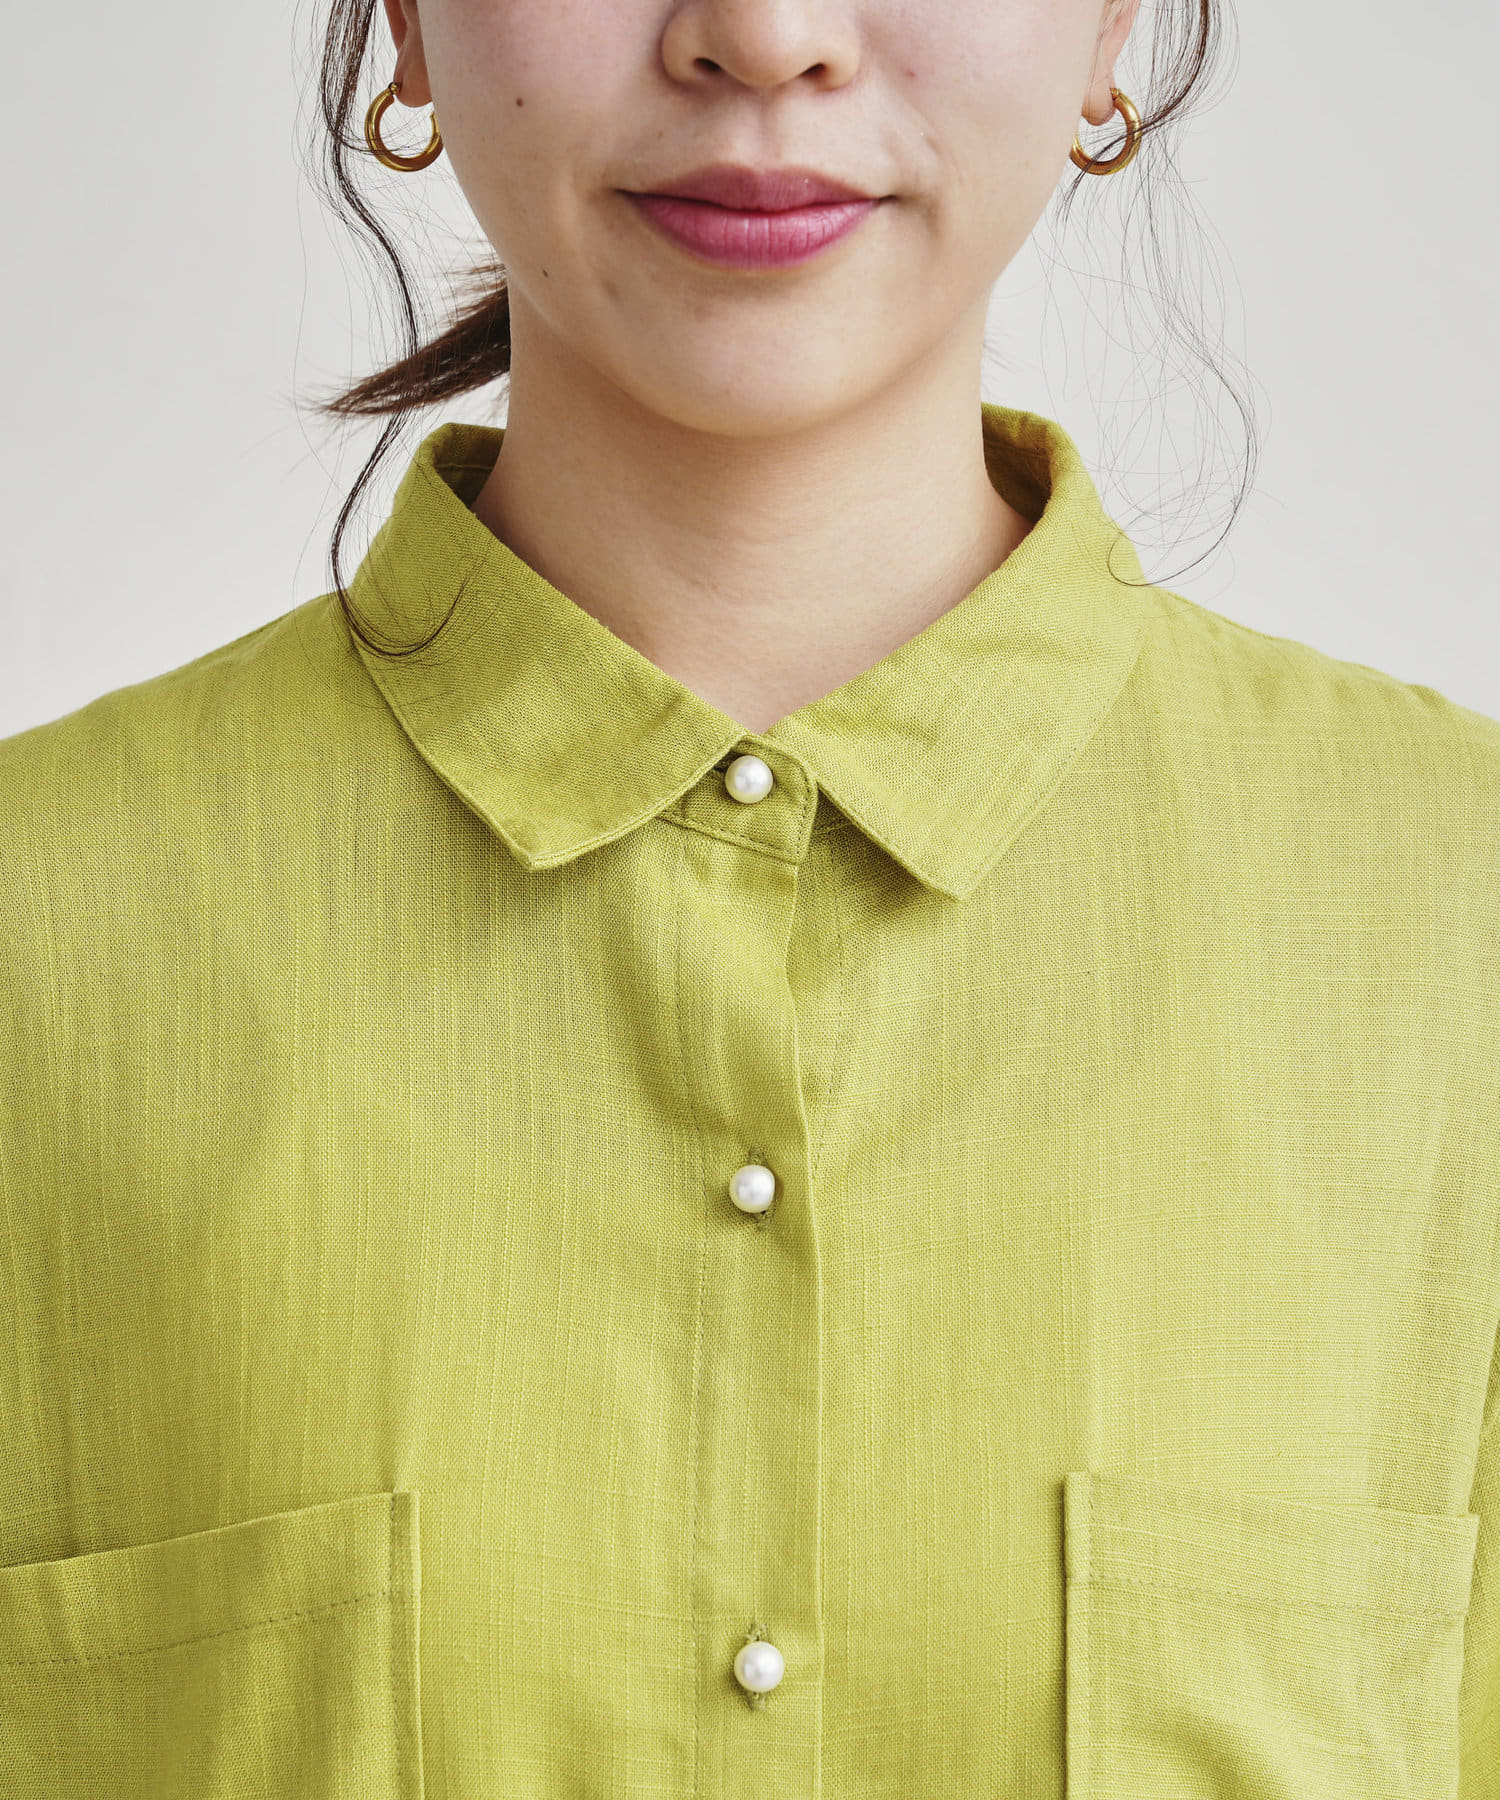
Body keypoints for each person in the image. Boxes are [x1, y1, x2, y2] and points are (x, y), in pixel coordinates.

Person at [1, 1, 1496, 1796]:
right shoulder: (34, 940)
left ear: (1116, 26)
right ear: (401, 22)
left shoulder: (1463, 921)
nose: (765, 38)